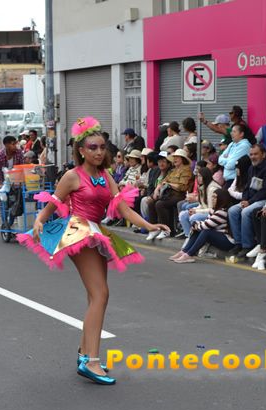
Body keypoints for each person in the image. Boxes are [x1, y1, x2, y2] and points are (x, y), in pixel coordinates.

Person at [17, 116, 169, 385]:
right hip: (79, 233)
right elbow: (51, 205)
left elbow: (123, 209)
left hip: (96, 232)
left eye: (102, 147)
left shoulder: (105, 176)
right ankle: (91, 361)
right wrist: (39, 221)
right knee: (101, 294)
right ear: (81, 150)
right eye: (92, 147)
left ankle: (85, 353)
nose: (99, 152)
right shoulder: (72, 176)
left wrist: (149, 225)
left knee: (95, 296)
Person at [227, 144, 266, 259]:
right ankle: (238, 243)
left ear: (263, 154)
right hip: (250, 200)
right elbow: (247, 187)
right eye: (251, 154)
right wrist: (244, 199)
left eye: (256, 154)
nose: (253, 157)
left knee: (246, 212)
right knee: (232, 210)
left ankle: (247, 245)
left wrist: (250, 202)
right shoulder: (251, 168)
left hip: (264, 200)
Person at [169, 188, 235, 263]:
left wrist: (195, 224)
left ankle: (189, 255)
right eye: (212, 197)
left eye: (215, 197)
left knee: (205, 231)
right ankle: (184, 252)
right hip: (217, 235)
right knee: (198, 230)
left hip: (227, 242)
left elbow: (205, 226)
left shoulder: (222, 213)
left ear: (221, 199)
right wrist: (196, 225)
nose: (212, 199)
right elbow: (206, 222)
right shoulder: (214, 210)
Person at [146, 148, 193, 240]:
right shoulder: (173, 171)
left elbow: (182, 187)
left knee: (160, 204)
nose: (175, 159)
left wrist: (169, 184)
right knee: (151, 202)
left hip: (179, 195)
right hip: (168, 194)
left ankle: (166, 230)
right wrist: (156, 190)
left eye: (177, 157)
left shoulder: (186, 170)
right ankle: (154, 228)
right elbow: (162, 182)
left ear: (182, 159)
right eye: (174, 157)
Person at [177, 167, 221, 243]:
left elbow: (211, 209)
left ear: (206, 176)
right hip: (204, 211)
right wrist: (194, 209)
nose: (198, 178)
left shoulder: (212, 188)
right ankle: (189, 237)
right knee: (183, 215)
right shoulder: (202, 186)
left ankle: (199, 240)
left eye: (200, 176)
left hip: (214, 213)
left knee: (194, 217)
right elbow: (202, 205)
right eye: (198, 176)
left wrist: (196, 211)